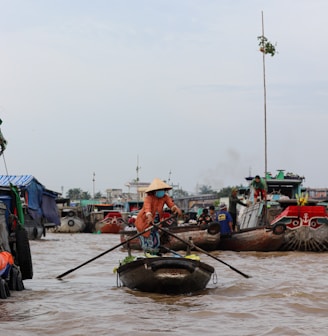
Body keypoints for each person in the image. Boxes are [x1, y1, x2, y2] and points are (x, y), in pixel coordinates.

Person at [135, 178, 182, 255]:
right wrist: (149, 215)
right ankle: (149, 256)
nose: (162, 192)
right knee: (147, 242)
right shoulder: (149, 198)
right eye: (160, 190)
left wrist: (176, 209)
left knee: (156, 241)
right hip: (144, 222)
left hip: (156, 223)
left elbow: (171, 205)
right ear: (154, 191)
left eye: (163, 190)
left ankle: (155, 255)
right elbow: (147, 208)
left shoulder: (165, 197)